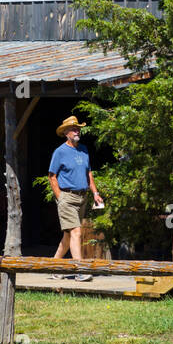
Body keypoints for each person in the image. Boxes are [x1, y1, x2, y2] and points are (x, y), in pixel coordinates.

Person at [48, 115, 103, 281]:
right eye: (73, 128)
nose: (77, 130)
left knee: (68, 236)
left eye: (78, 128)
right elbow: (52, 176)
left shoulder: (84, 149)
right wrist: (60, 198)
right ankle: (80, 271)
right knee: (76, 232)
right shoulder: (60, 152)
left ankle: (53, 267)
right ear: (66, 133)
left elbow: (88, 173)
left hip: (82, 198)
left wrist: (95, 192)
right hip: (67, 198)